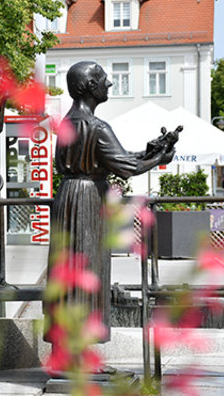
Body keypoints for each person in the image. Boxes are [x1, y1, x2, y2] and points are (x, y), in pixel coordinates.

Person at [45, 61, 177, 343]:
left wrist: (149, 150)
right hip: (88, 201)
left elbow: (115, 157)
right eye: (104, 78)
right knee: (89, 269)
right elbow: (125, 167)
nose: (109, 83)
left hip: (68, 197)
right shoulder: (97, 126)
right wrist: (158, 158)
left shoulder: (68, 123)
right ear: (91, 86)